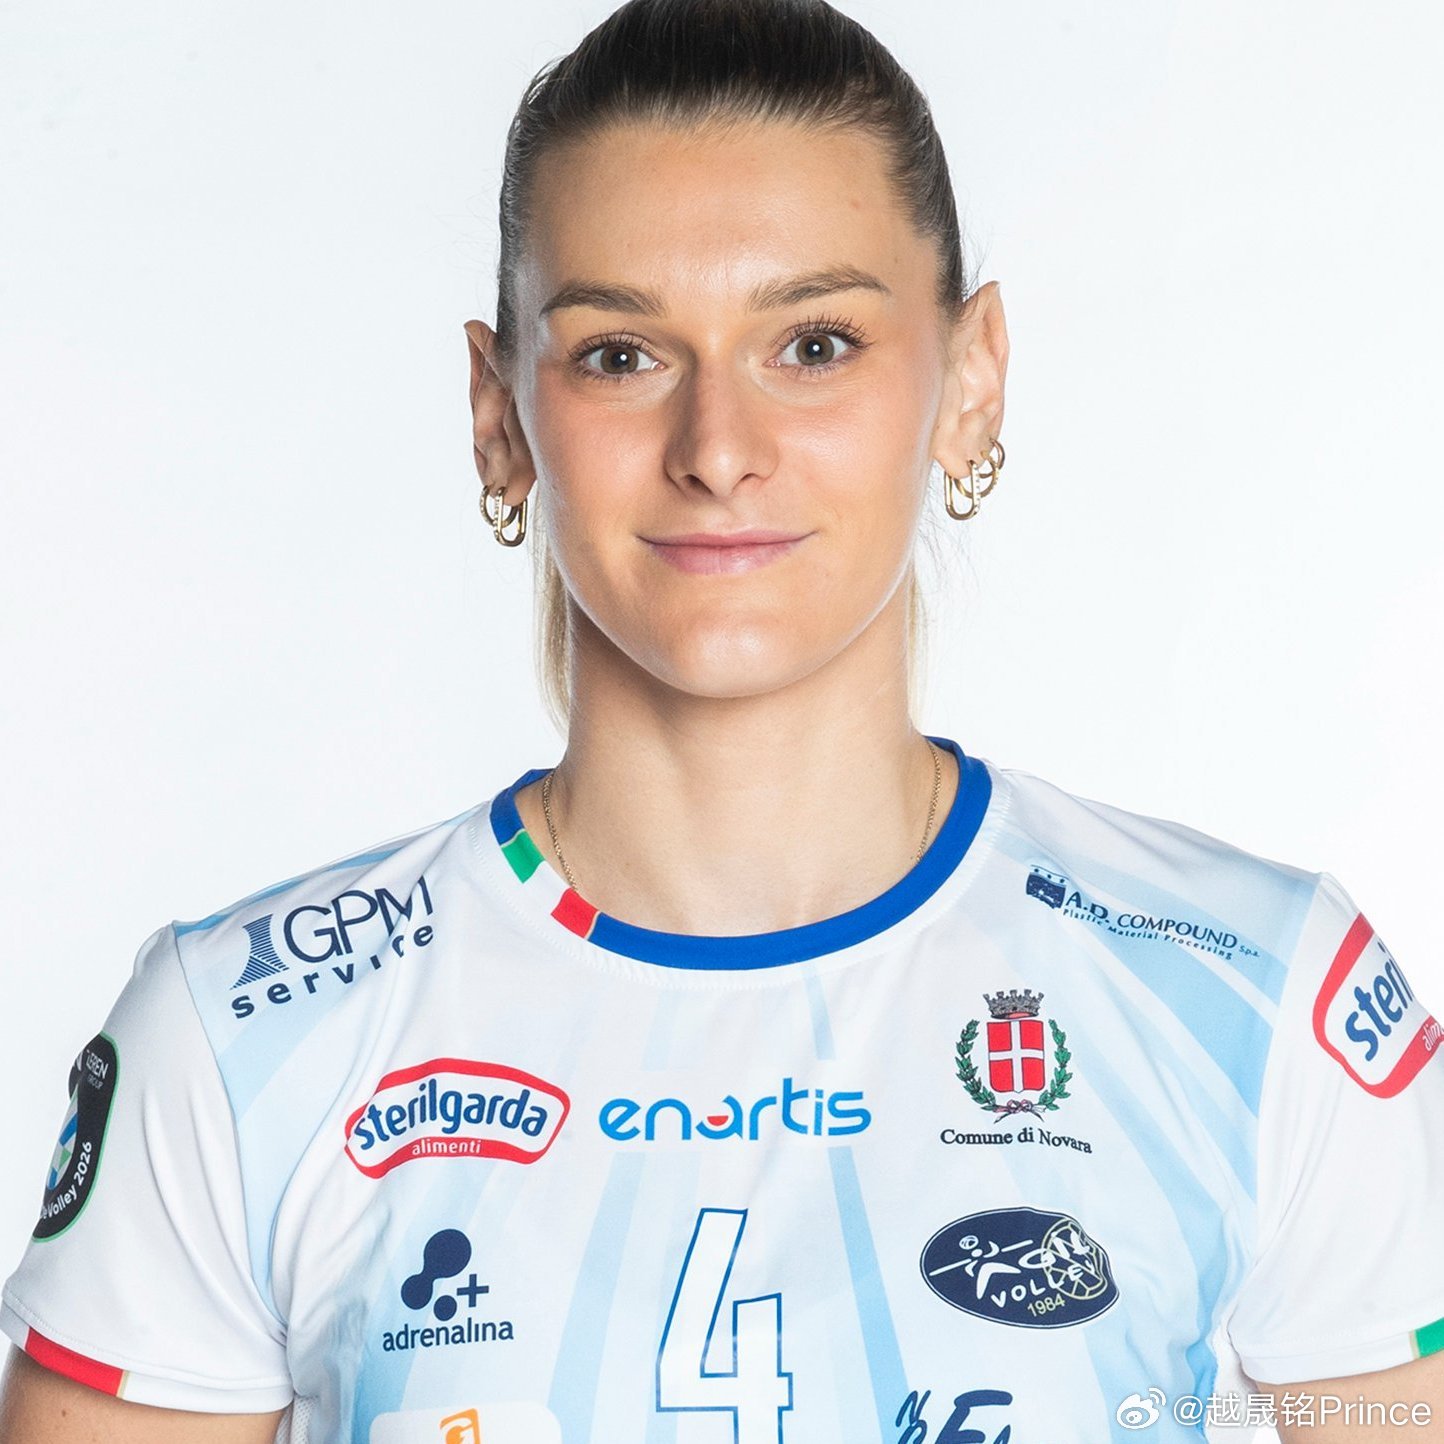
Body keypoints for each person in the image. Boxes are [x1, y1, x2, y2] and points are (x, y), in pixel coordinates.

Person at [2, 1, 1442, 1441]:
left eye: (813, 343)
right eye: (620, 355)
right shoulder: (245, 1036)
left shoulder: (1262, 1004)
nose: (718, 450)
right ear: (499, 415)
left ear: (972, 380)